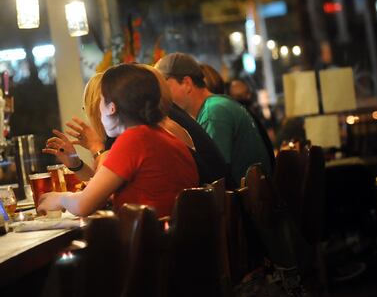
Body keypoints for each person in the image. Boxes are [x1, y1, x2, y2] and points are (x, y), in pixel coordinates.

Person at [38, 63, 198, 218]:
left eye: (101, 100)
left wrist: (58, 199)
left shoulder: (133, 139)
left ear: (111, 107)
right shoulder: (163, 135)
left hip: (151, 241)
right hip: (174, 238)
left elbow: (82, 205)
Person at [158, 53, 273, 183]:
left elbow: (214, 175)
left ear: (186, 83)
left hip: (243, 201)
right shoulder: (217, 104)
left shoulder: (213, 112)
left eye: (164, 86)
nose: (161, 95)